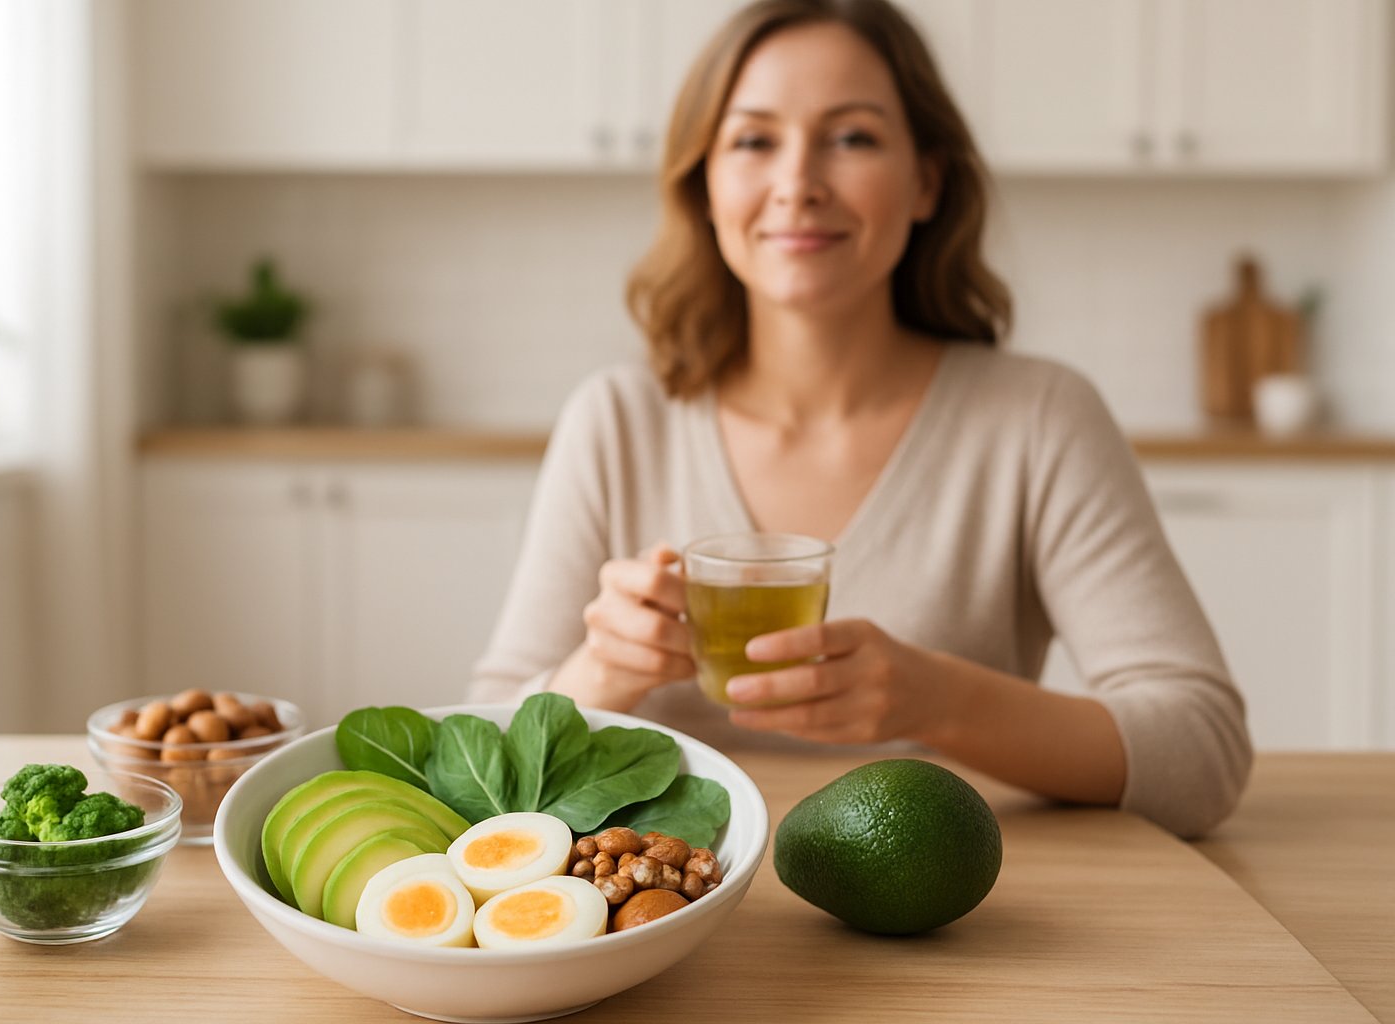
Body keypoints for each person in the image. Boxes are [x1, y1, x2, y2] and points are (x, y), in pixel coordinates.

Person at [469, 0, 1251, 838]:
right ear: (704, 184)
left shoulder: (1038, 419)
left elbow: (1202, 755)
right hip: (671, 921)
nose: (798, 181)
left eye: (853, 138)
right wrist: (598, 674)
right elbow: (484, 760)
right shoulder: (618, 422)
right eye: (753, 140)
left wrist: (941, 700)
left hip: (951, 915)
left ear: (927, 182)